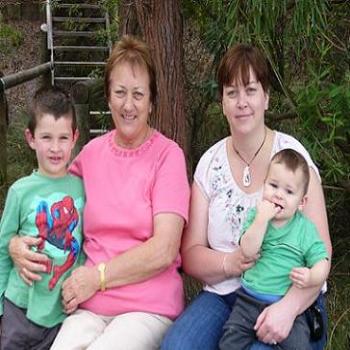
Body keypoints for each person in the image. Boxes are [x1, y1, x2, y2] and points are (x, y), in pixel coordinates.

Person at [8, 35, 190, 350]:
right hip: (90, 305)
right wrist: (14, 244)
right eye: (119, 93)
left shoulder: (167, 156)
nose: (128, 104)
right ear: (108, 97)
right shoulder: (91, 155)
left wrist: (98, 277)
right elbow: (46, 194)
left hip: (146, 306)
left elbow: (164, 248)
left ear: (152, 101)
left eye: (138, 94)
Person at [161, 44, 332, 350]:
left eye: (250, 90)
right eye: (231, 92)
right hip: (225, 296)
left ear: (266, 97)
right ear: (222, 102)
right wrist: (231, 262)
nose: (242, 103)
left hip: (285, 295)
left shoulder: (294, 160)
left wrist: (287, 309)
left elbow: (323, 254)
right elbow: (191, 253)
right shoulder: (210, 164)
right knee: (177, 346)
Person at [0, 86, 85, 350]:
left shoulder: (82, 188)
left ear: (74, 138)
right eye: (46, 137)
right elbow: (3, 248)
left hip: (61, 313)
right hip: (19, 307)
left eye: (63, 138)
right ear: (31, 138)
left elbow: (85, 244)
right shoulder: (20, 191)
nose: (55, 148)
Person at [219, 149, 329, 350]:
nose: (279, 194)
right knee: (229, 341)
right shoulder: (257, 217)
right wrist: (261, 219)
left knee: (299, 345)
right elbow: (248, 250)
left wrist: (312, 276)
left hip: (285, 303)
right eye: (273, 185)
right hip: (248, 300)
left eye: (289, 191)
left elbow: (322, 262)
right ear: (264, 186)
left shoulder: (304, 229)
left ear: (301, 202)